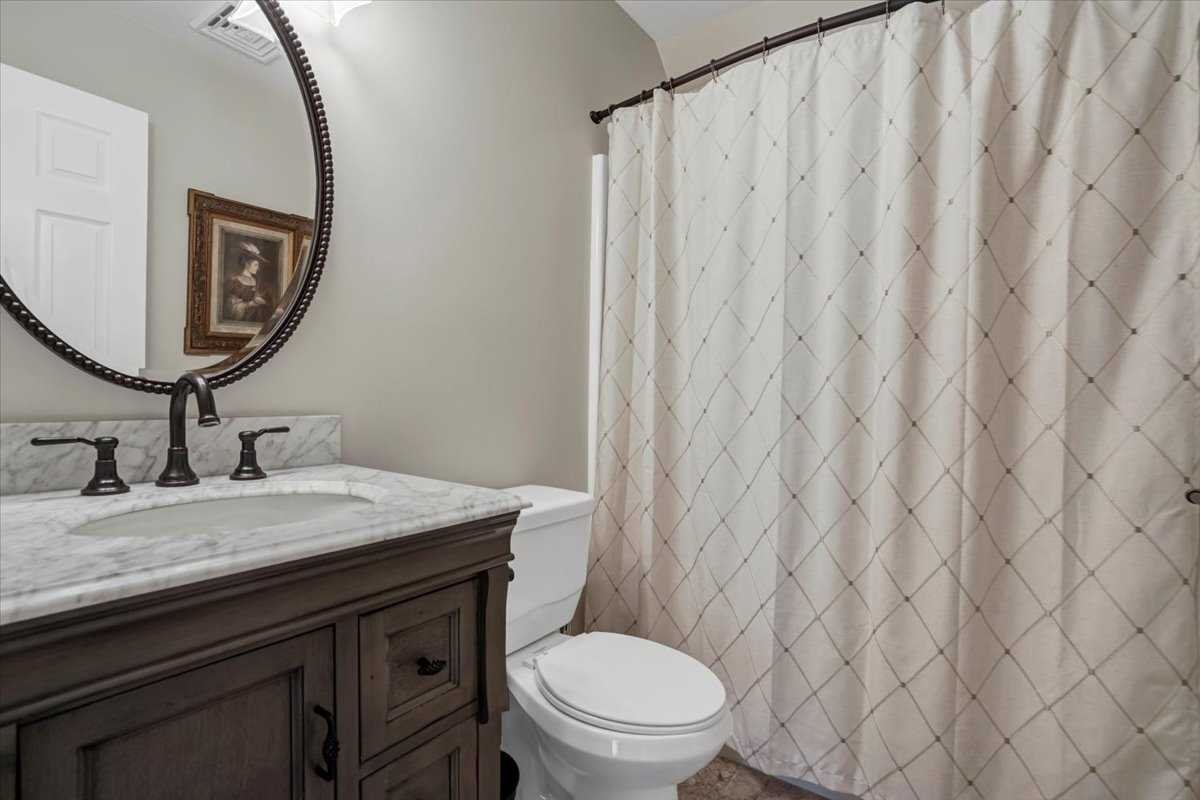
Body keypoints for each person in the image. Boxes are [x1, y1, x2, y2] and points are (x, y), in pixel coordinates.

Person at [225, 240, 273, 323]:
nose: (258, 268)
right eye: (255, 265)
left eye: (258, 265)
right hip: (243, 322)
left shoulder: (258, 282)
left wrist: (263, 301)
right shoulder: (235, 281)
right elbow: (231, 308)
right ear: (247, 264)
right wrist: (250, 304)